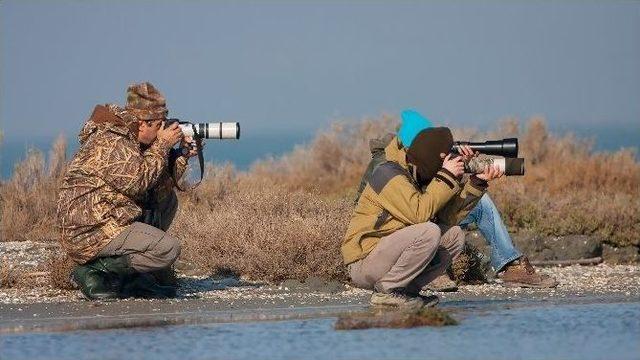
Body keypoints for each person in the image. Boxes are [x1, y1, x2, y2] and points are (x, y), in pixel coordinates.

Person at [355, 110, 558, 292]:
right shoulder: (384, 167)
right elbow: (418, 209)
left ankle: (510, 264)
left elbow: (441, 204)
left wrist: (473, 180)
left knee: (481, 204)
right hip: (390, 234)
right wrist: (446, 172)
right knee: (429, 227)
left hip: (418, 222)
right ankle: (420, 274)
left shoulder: (419, 161)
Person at [56, 82, 198, 300]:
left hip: (109, 220)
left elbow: (156, 184)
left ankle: (135, 277)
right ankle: (94, 271)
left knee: (167, 201)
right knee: (167, 250)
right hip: (91, 231)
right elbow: (139, 182)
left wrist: (181, 156)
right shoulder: (112, 141)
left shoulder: (130, 139)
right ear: (142, 124)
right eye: (159, 125)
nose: (162, 131)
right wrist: (162, 146)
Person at [342, 124, 504, 309]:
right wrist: (446, 175)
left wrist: (476, 183)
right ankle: (387, 291)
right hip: (364, 262)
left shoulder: (415, 175)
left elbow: (447, 218)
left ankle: (406, 291)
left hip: (388, 253)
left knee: (453, 235)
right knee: (429, 231)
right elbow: (419, 215)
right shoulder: (388, 174)